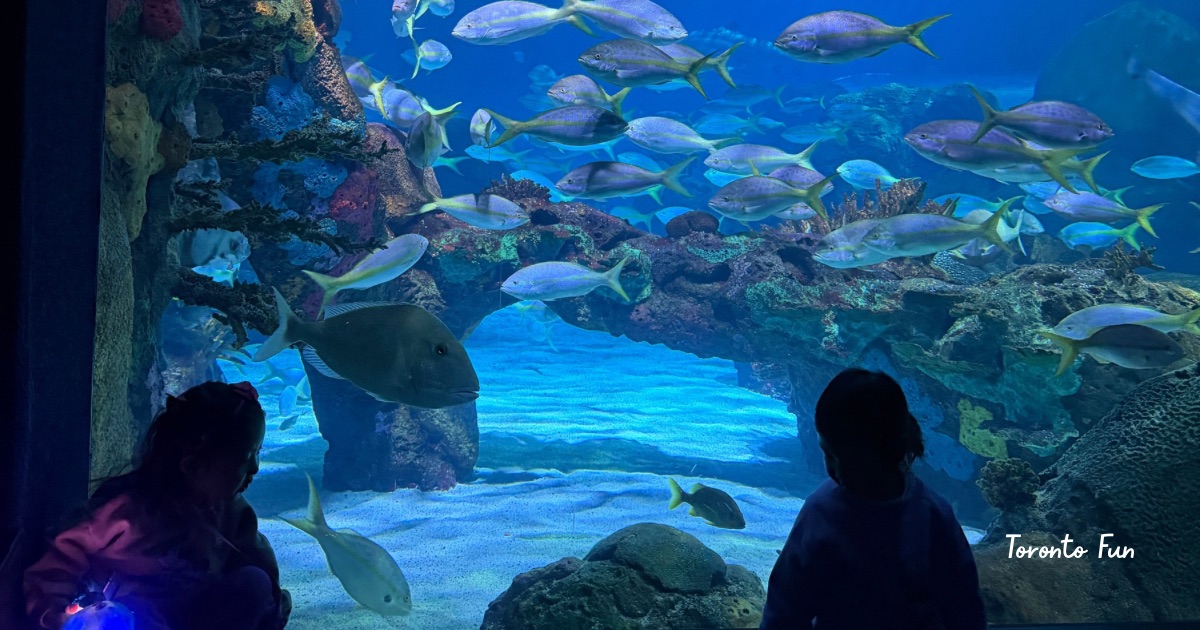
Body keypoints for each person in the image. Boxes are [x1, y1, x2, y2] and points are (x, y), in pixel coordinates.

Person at [23, 381, 291, 630]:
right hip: (133, 618)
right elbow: (60, 558)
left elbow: (259, 567)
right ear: (193, 466)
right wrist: (57, 617)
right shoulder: (125, 511)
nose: (255, 467)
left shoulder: (233, 513)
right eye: (245, 458)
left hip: (194, 615)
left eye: (257, 453)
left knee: (253, 582)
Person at [761, 369, 986, 629]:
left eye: (838, 456)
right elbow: (786, 607)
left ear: (890, 450)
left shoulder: (930, 512)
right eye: (827, 452)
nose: (831, 468)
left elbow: (962, 601)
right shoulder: (821, 510)